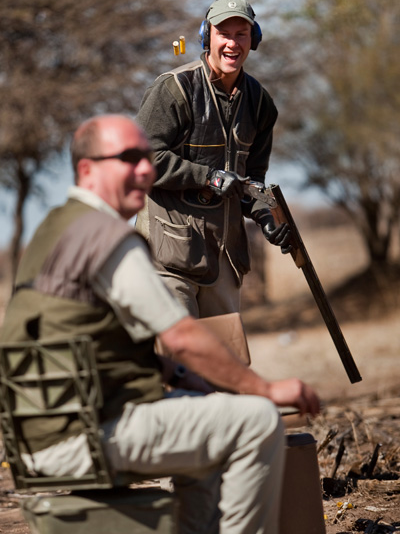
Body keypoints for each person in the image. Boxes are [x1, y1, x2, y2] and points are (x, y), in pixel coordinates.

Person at [0, 114, 320, 534]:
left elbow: (93, 341)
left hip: (43, 431)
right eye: (129, 159)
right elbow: (181, 336)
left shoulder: (55, 232)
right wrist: (265, 389)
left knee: (209, 427)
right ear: (87, 169)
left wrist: (178, 374)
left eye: (147, 158)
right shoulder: (108, 239)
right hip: (87, 431)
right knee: (256, 420)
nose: (146, 169)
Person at [136, 0, 292, 319]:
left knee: (225, 361)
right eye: (224, 33)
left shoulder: (261, 104)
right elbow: (143, 158)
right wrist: (208, 176)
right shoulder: (174, 88)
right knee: (181, 359)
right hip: (168, 254)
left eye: (241, 34)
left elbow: (253, 181)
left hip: (225, 258)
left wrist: (268, 218)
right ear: (207, 36)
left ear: (255, 39)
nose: (232, 43)